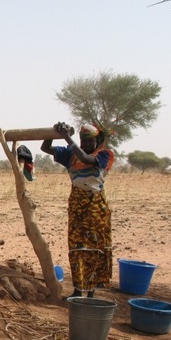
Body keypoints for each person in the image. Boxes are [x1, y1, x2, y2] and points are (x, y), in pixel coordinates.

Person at [41, 122, 115, 298]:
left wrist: (67, 136)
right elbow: (46, 147)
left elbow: (86, 159)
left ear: (97, 141)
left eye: (89, 142)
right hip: (76, 204)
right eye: (83, 141)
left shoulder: (104, 155)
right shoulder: (71, 155)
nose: (86, 145)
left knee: (94, 247)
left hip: (95, 205)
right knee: (76, 246)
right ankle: (77, 290)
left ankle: (90, 293)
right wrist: (53, 132)